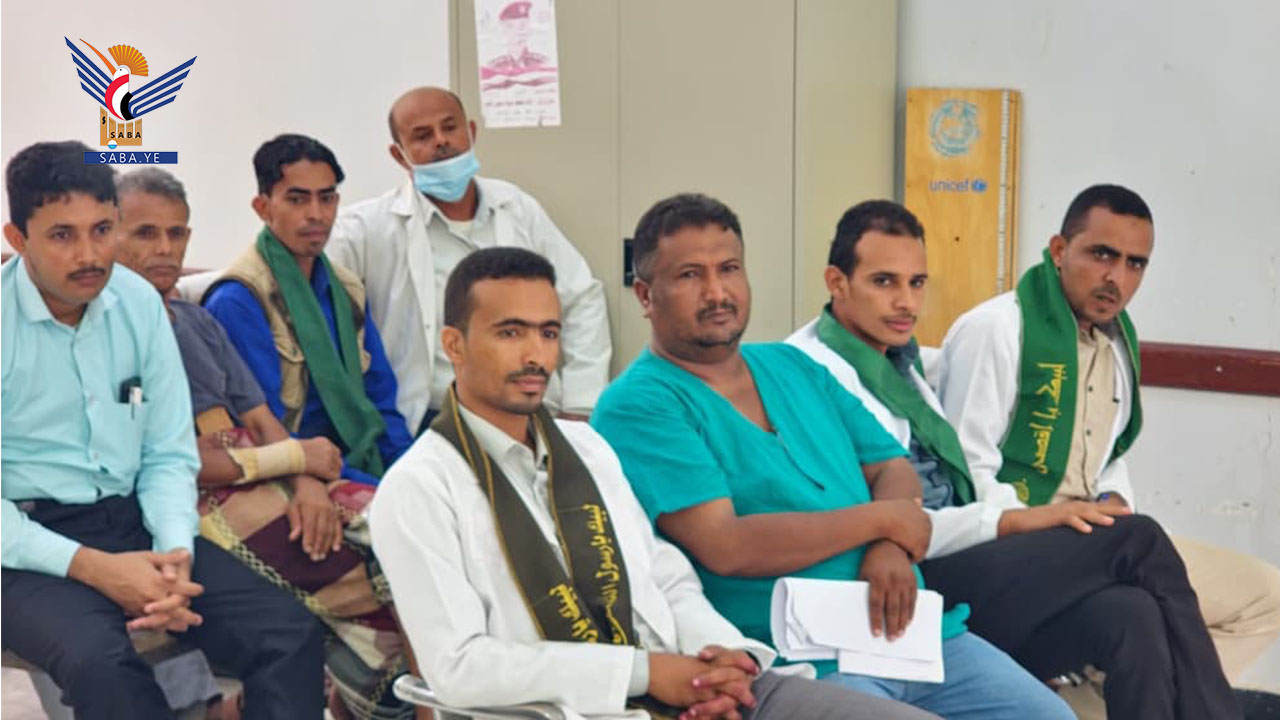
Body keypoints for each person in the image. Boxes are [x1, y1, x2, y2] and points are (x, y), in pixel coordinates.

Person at [370, 246, 939, 720]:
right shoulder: (420, 487)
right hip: (579, 707)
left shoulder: (584, 449)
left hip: (693, 686)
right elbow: (459, 667)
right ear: (454, 344)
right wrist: (644, 673)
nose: (534, 355)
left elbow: (664, 576)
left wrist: (722, 659)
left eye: (548, 333)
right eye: (509, 332)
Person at [590, 193, 1074, 720]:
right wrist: (884, 520)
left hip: (913, 635)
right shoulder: (638, 404)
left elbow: (891, 466)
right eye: (690, 275)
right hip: (800, 661)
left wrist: (889, 546)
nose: (717, 292)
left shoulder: (792, 365)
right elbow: (727, 545)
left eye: (729, 269)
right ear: (645, 294)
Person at [787, 199, 1239, 718]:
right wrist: (1024, 520)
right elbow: (895, 516)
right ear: (837, 282)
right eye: (884, 282)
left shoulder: (902, 362)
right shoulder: (809, 372)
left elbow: (1105, 452)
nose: (906, 302)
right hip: (915, 573)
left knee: (1130, 614)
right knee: (1139, 539)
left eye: (917, 283)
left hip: (968, 554)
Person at [1, 140, 324, 718]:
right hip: (22, 547)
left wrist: (174, 556)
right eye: (62, 235)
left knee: (288, 633)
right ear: (17, 238)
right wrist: (97, 569)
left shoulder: (138, 305)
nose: (89, 255)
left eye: (103, 230)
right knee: (102, 664)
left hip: (132, 521)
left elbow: (168, 453)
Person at [937, 184, 1280, 684]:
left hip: (1100, 536)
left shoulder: (1117, 342)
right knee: (1140, 606)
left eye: (1134, 263)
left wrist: (1114, 497)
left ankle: (1112, 697)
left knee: (1264, 596)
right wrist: (1045, 522)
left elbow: (1109, 454)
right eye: (1102, 255)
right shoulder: (996, 329)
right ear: (1059, 250)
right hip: (1019, 546)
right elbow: (965, 468)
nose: (1116, 277)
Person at [115, 167, 413, 720]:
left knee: (407, 527)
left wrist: (307, 483)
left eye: (176, 234)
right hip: (200, 498)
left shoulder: (194, 321)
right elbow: (166, 462)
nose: (165, 249)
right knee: (391, 571)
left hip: (257, 471)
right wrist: (295, 458)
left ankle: (361, 693)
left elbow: (261, 417)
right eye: (145, 234)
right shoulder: (113, 335)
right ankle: (379, 698)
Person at [329, 87, 610, 433]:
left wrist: (581, 403)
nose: (441, 141)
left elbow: (581, 296)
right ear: (399, 156)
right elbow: (321, 307)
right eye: (422, 136)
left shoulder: (515, 208)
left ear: (471, 132)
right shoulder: (367, 228)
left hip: (526, 411)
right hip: (429, 419)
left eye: (450, 127)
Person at [204, 134, 413, 490]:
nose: (316, 214)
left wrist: (409, 475)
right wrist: (373, 487)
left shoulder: (345, 288)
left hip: (361, 462)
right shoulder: (239, 300)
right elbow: (263, 429)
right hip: (296, 475)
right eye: (297, 199)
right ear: (263, 207)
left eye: (326, 198)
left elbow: (381, 401)